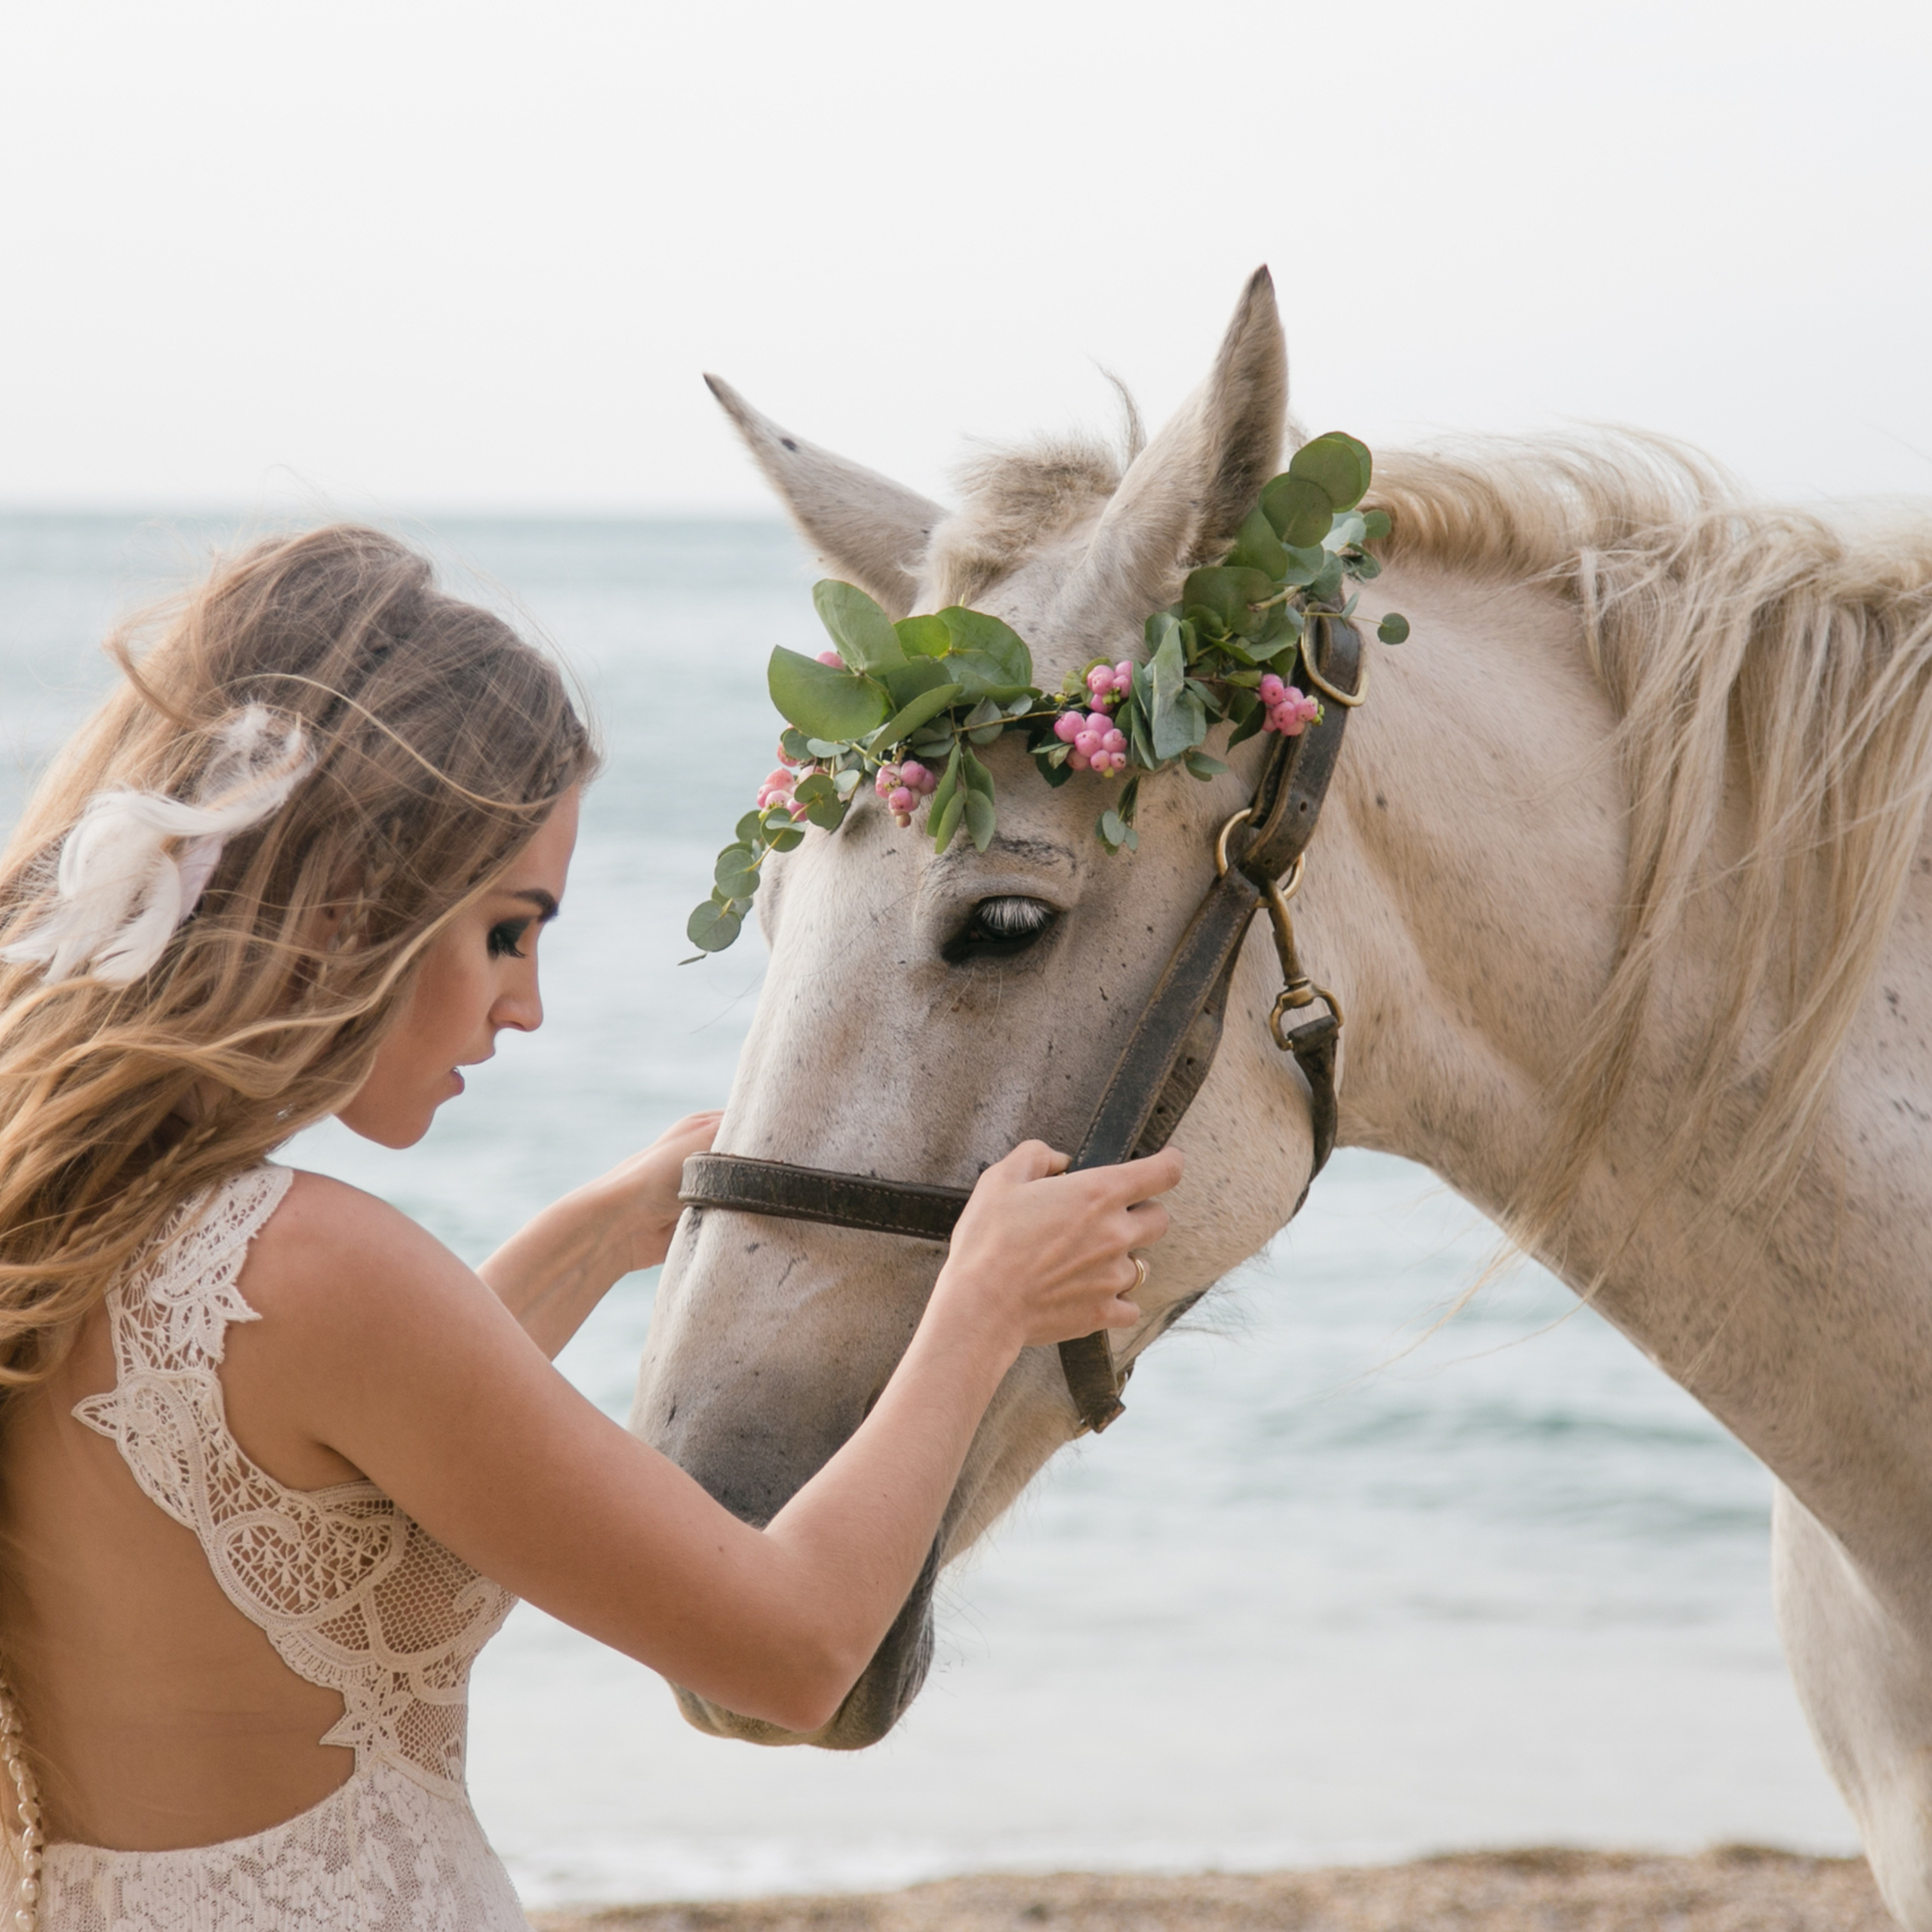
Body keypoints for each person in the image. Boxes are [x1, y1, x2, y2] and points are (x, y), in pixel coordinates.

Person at [0, 526, 1180, 1932]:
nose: (529, 1006)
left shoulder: (76, 1229)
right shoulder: (318, 1267)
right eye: (508, 930)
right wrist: (980, 1308)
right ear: (353, 897)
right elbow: (791, 1650)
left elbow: (308, 1462)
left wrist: (594, 1233)